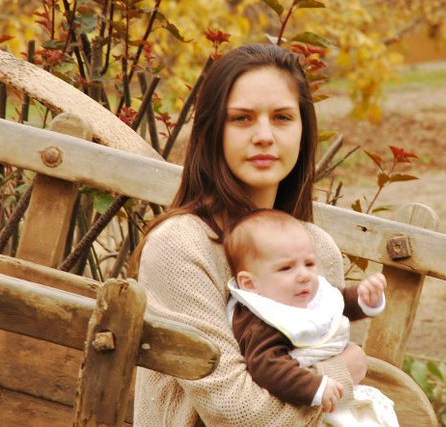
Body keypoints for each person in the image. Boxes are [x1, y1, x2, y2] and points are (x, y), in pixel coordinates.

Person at [133, 43, 368, 426]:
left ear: (303, 131)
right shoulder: (180, 247)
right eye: (242, 118)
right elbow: (235, 411)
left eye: (282, 117)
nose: (264, 135)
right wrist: (342, 374)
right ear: (214, 132)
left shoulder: (318, 250)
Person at [224, 208, 399, 427]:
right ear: (250, 283)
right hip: (305, 405)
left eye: (308, 264)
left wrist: (364, 298)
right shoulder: (262, 322)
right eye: (286, 268)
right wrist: (314, 386)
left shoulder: (302, 295)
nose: (304, 275)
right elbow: (266, 366)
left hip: (338, 394)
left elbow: (336, 305)